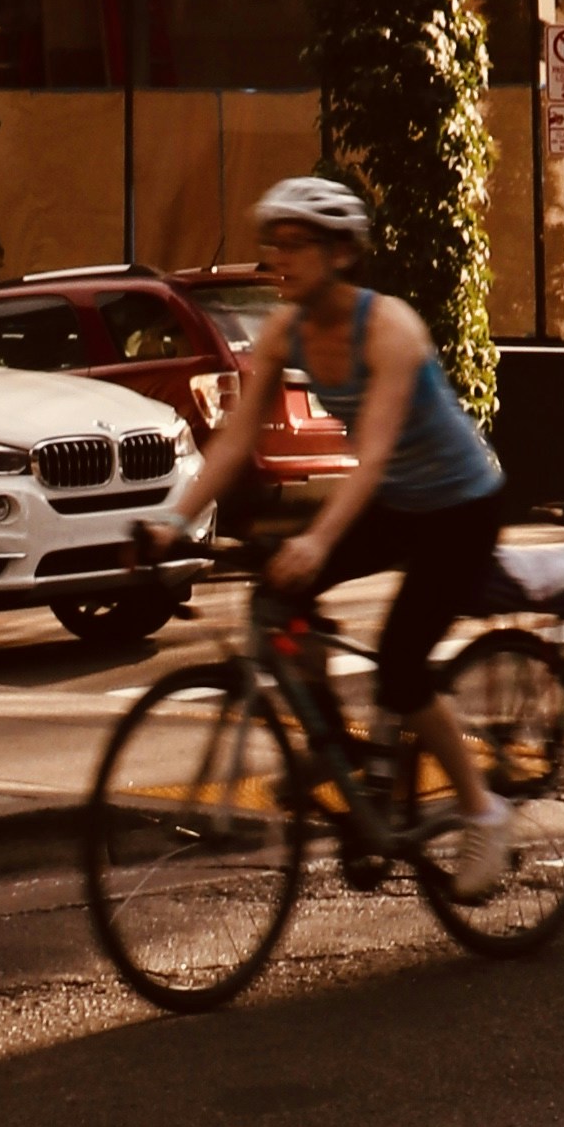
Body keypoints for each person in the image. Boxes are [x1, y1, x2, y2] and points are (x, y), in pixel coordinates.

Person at [162, 173, 512, 876]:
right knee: (277, 594)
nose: (279, 258)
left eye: (298, 245)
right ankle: (337, 751)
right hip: (396, 500)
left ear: (344, 254)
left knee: (403, 666)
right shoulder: (287, 328)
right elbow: (235, 441)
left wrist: (318, 540)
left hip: (459, 505)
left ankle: (484, 811)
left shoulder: (390, 327)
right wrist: (174, 521)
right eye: (274, 243)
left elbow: (374, 453)